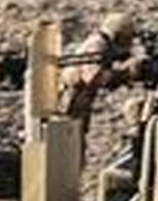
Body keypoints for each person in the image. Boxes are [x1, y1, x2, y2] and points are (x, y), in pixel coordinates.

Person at [59, 12, 143, 141]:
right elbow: (94, 77)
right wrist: (125, 74)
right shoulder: (97, 45)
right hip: (70, 105)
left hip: (79, 104)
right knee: (67, 144)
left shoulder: (103, 45)